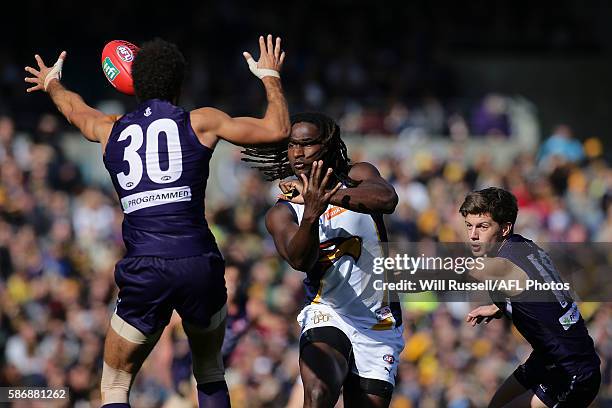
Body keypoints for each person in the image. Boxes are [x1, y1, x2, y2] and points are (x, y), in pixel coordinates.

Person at [25, 35, 290, 408]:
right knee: (210, 371)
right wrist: (269, 75)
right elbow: (277, 129)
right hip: (199, 261)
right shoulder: (202, 121)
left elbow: (76, 112)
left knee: (115, 384)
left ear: (133, 84)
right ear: (181, 84)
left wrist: (52, 82)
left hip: (146, 267)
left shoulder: (110, 130)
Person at [247, 112, 404, 408]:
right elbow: (299, 260)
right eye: (293, 145)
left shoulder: (358, 175)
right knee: (318, 393)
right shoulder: (282, 211)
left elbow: (387, 199)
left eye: (307, 144)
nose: (298, 153)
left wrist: (324, 196)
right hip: (328, 311)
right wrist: (310, 213)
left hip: (378, 322)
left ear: (328, 145)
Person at [460, 187, 600, 408]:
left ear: (505, 228)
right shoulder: (524, 245)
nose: (473, 235)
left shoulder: (499, 265)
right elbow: (542, 289)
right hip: (548, 359)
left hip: (572, 373)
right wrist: (499, 307)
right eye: (469, 226)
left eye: (483, 227)